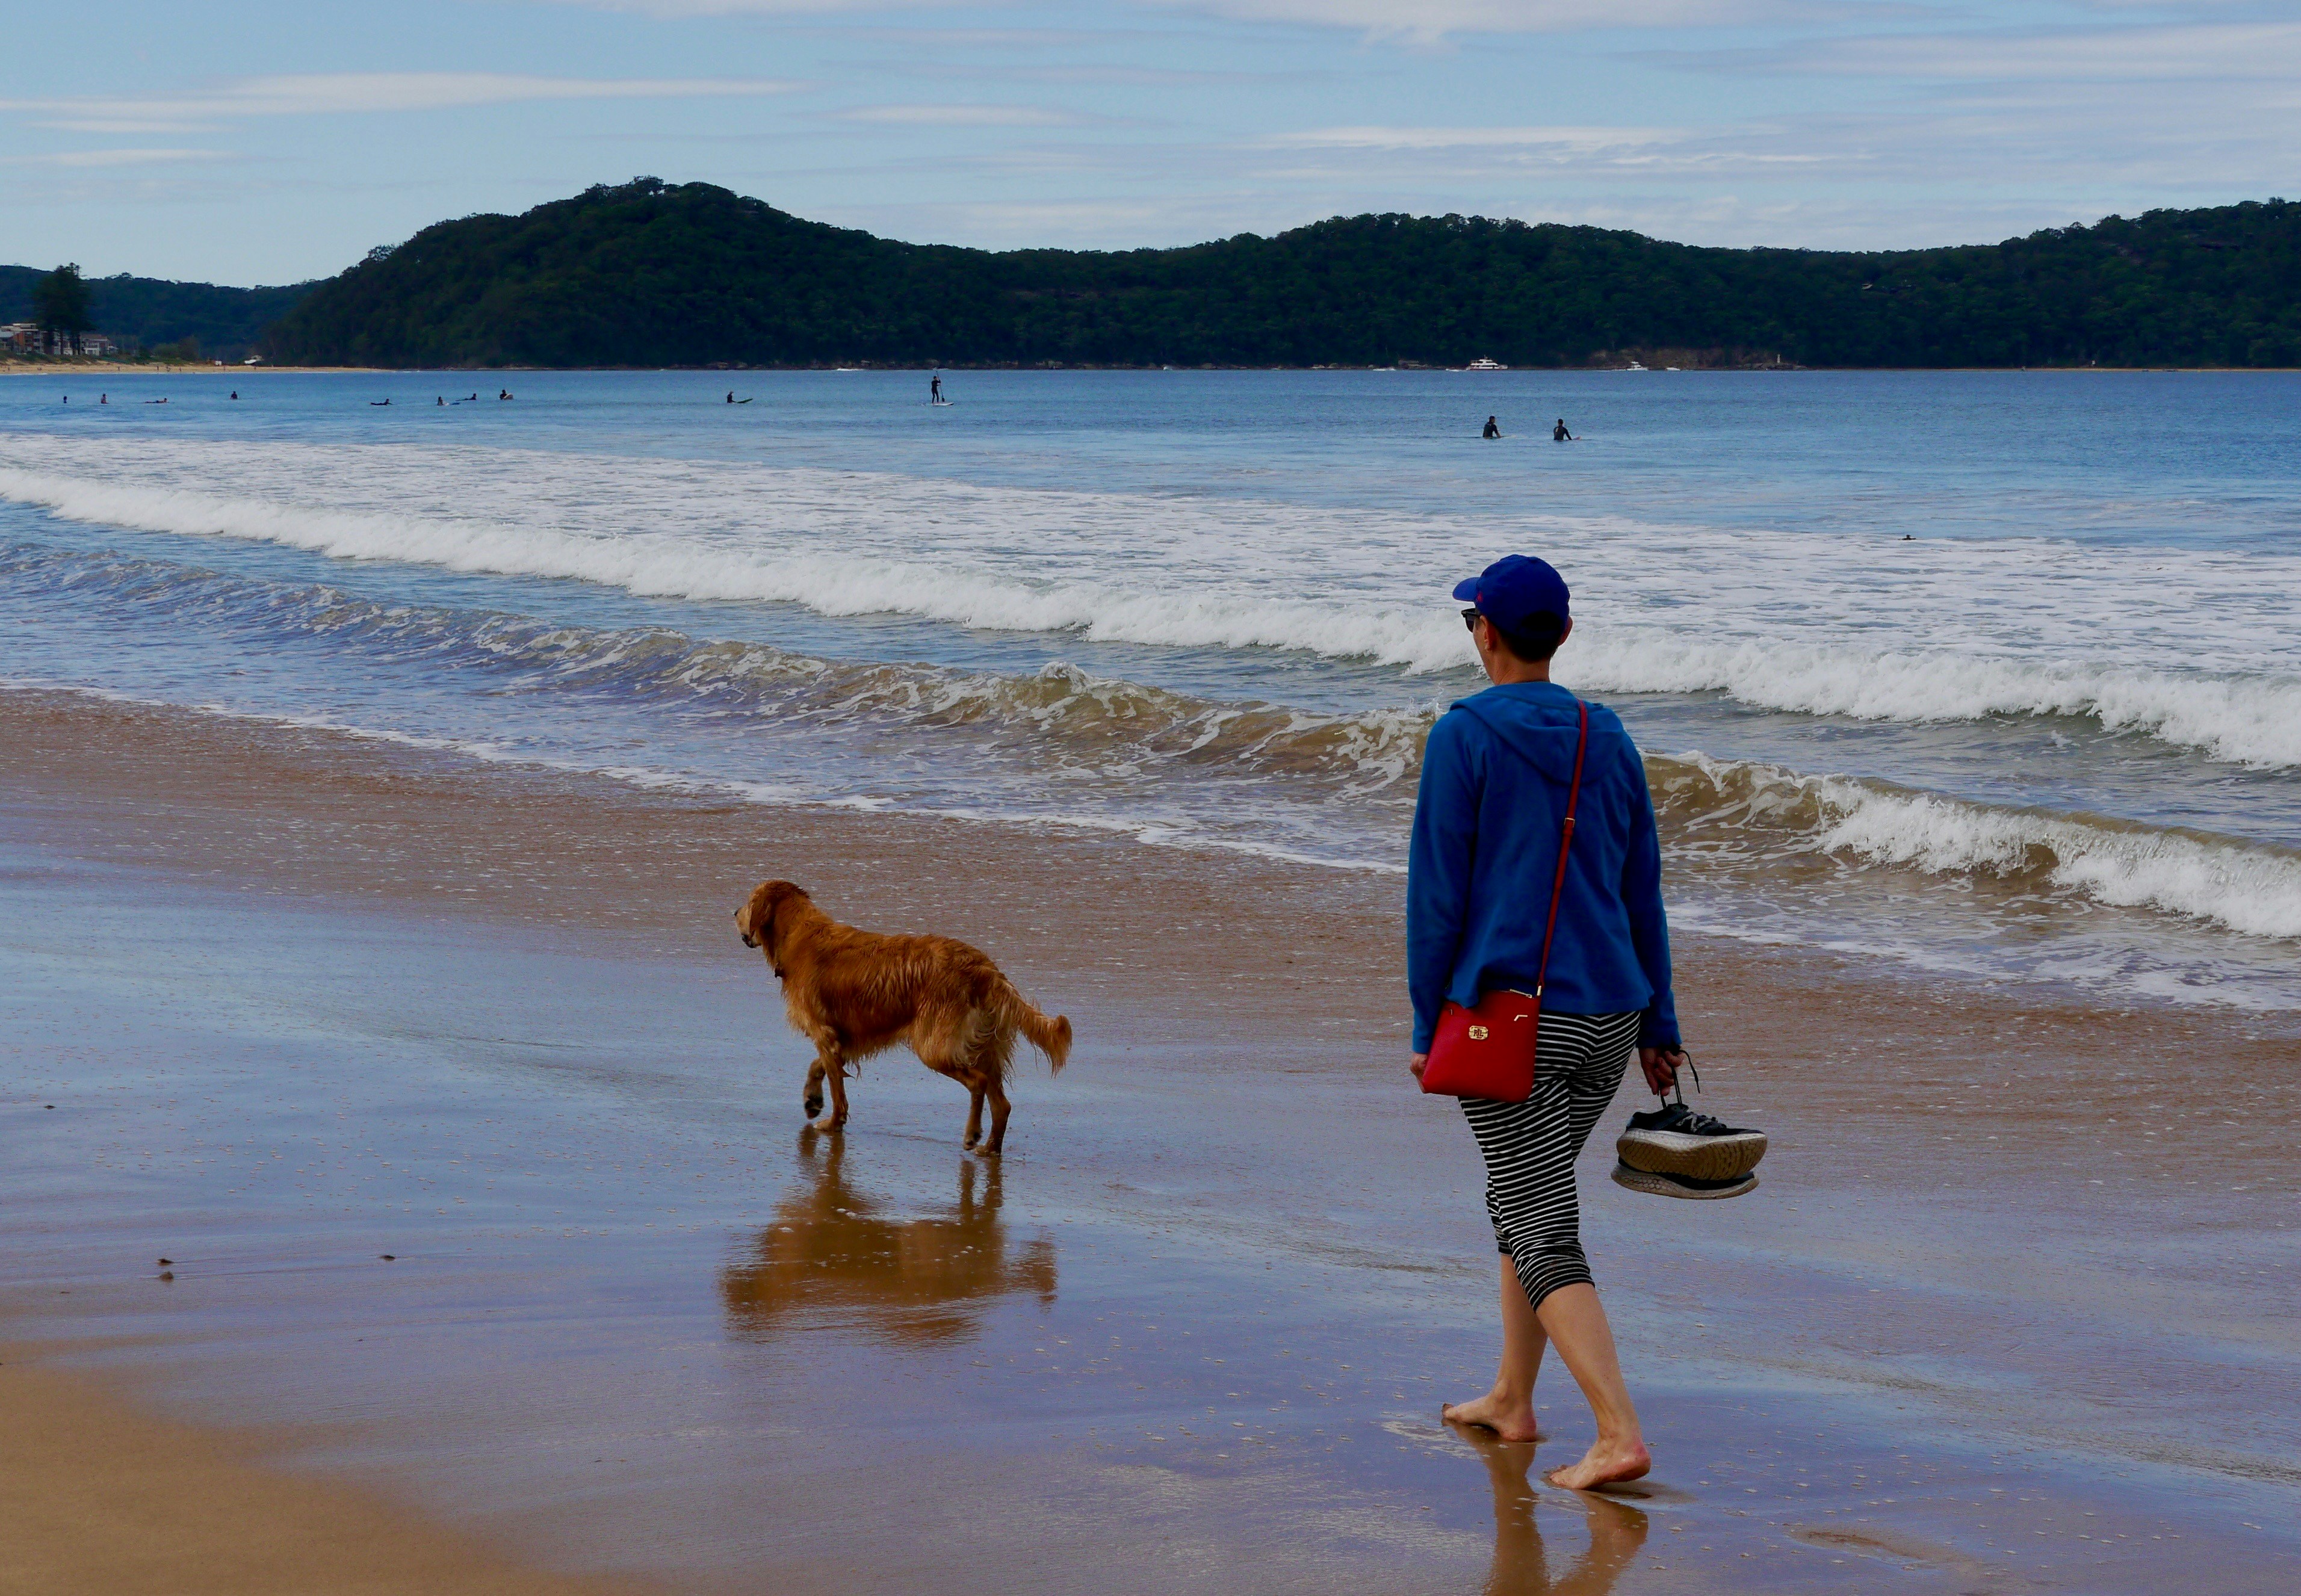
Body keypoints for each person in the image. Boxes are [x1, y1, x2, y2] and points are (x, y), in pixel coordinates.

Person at [1409, 553, 1688, 1491]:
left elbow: (1436, 899)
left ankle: (1618, 1433)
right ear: (1561, 635)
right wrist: (1661, 1021)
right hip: (1610, 1015)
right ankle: (1511, 1398)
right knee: (1524, 1197)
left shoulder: (1463, 735)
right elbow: (1640, 888)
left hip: (1509, 1019)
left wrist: (1425, 1024)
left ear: (1484, 631)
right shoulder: (1607, 736)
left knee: (1537, 1219)